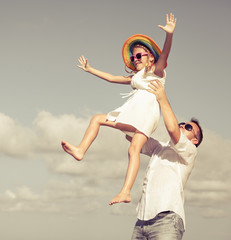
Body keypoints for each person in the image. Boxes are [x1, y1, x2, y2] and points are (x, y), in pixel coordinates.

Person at [61, 13, 177, 205]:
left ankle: (81, 150)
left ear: (150, 58)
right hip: (137, 113)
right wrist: (91, 70)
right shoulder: (136, 77)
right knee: (133, 149)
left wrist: (169, 35)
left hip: (145, 114)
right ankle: (125, 192)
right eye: (133, 56)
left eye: (140, 55)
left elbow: (165, 54)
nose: (135, 58)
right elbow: (112, 78)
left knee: (99, 120)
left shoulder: (156, 71)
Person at [127, 79, 203, 240]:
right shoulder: (159, 147)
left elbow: (172, 129)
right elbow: (131, 134)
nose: (183, 126)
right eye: (182, 124)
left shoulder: (189, 152)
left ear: (195, 140)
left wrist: (162, 98)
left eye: (188, 127)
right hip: (141, 221)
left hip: (167, 221)